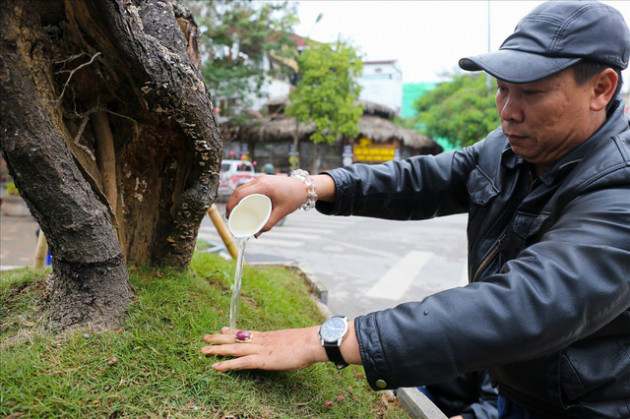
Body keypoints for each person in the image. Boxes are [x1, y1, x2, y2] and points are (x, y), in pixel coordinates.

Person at [201, 1, 630, 417]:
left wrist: (329, 339)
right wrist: (309, 187)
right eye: (502, 88)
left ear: (601, 88)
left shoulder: (619, 187)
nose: (507, 112)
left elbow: (527, 304)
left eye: (532, 93)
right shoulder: (511, 147)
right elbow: (421, 179)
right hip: (512, 383)